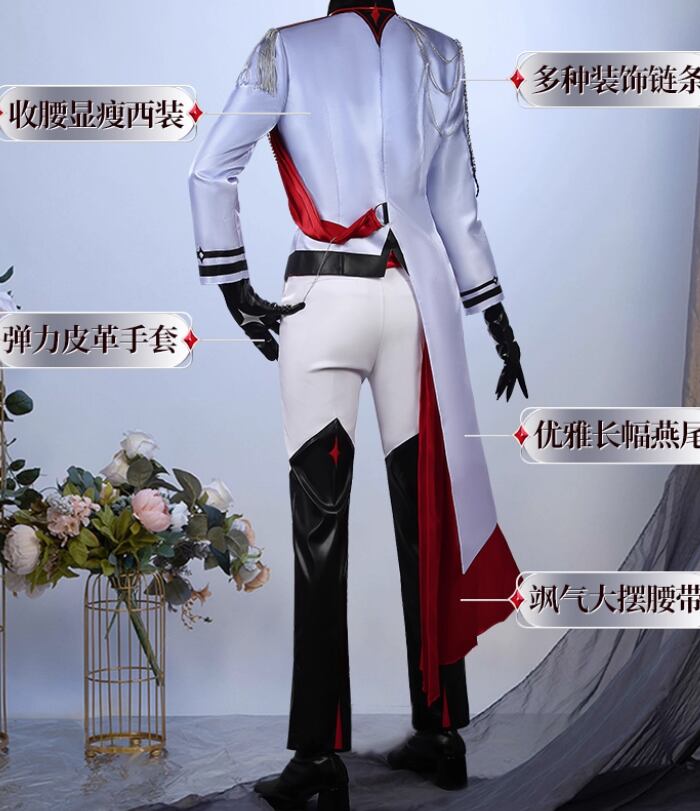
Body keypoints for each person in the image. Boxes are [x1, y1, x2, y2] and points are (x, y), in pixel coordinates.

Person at [189, 2, 527, 808]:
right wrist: (497, 317)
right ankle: (441, 732)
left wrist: (234, 285)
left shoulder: (285, 49)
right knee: (425, 520)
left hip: (320, 295)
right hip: (415, 301)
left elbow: (210, 169)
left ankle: (317, 755)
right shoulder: (442, 54)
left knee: (319, 529)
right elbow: (457, 205)